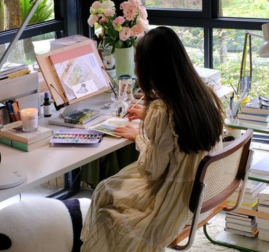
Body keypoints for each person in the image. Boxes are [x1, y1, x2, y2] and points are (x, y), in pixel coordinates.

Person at [80, 27, 225, 252]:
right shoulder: (205, 95)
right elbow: (182, 125)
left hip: (173, 202)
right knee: (110, 189)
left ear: (150, 69)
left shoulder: (164, 112)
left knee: (105, 196)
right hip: (201, 195)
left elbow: (151, 170)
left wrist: (140, 138)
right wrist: (148, 116)